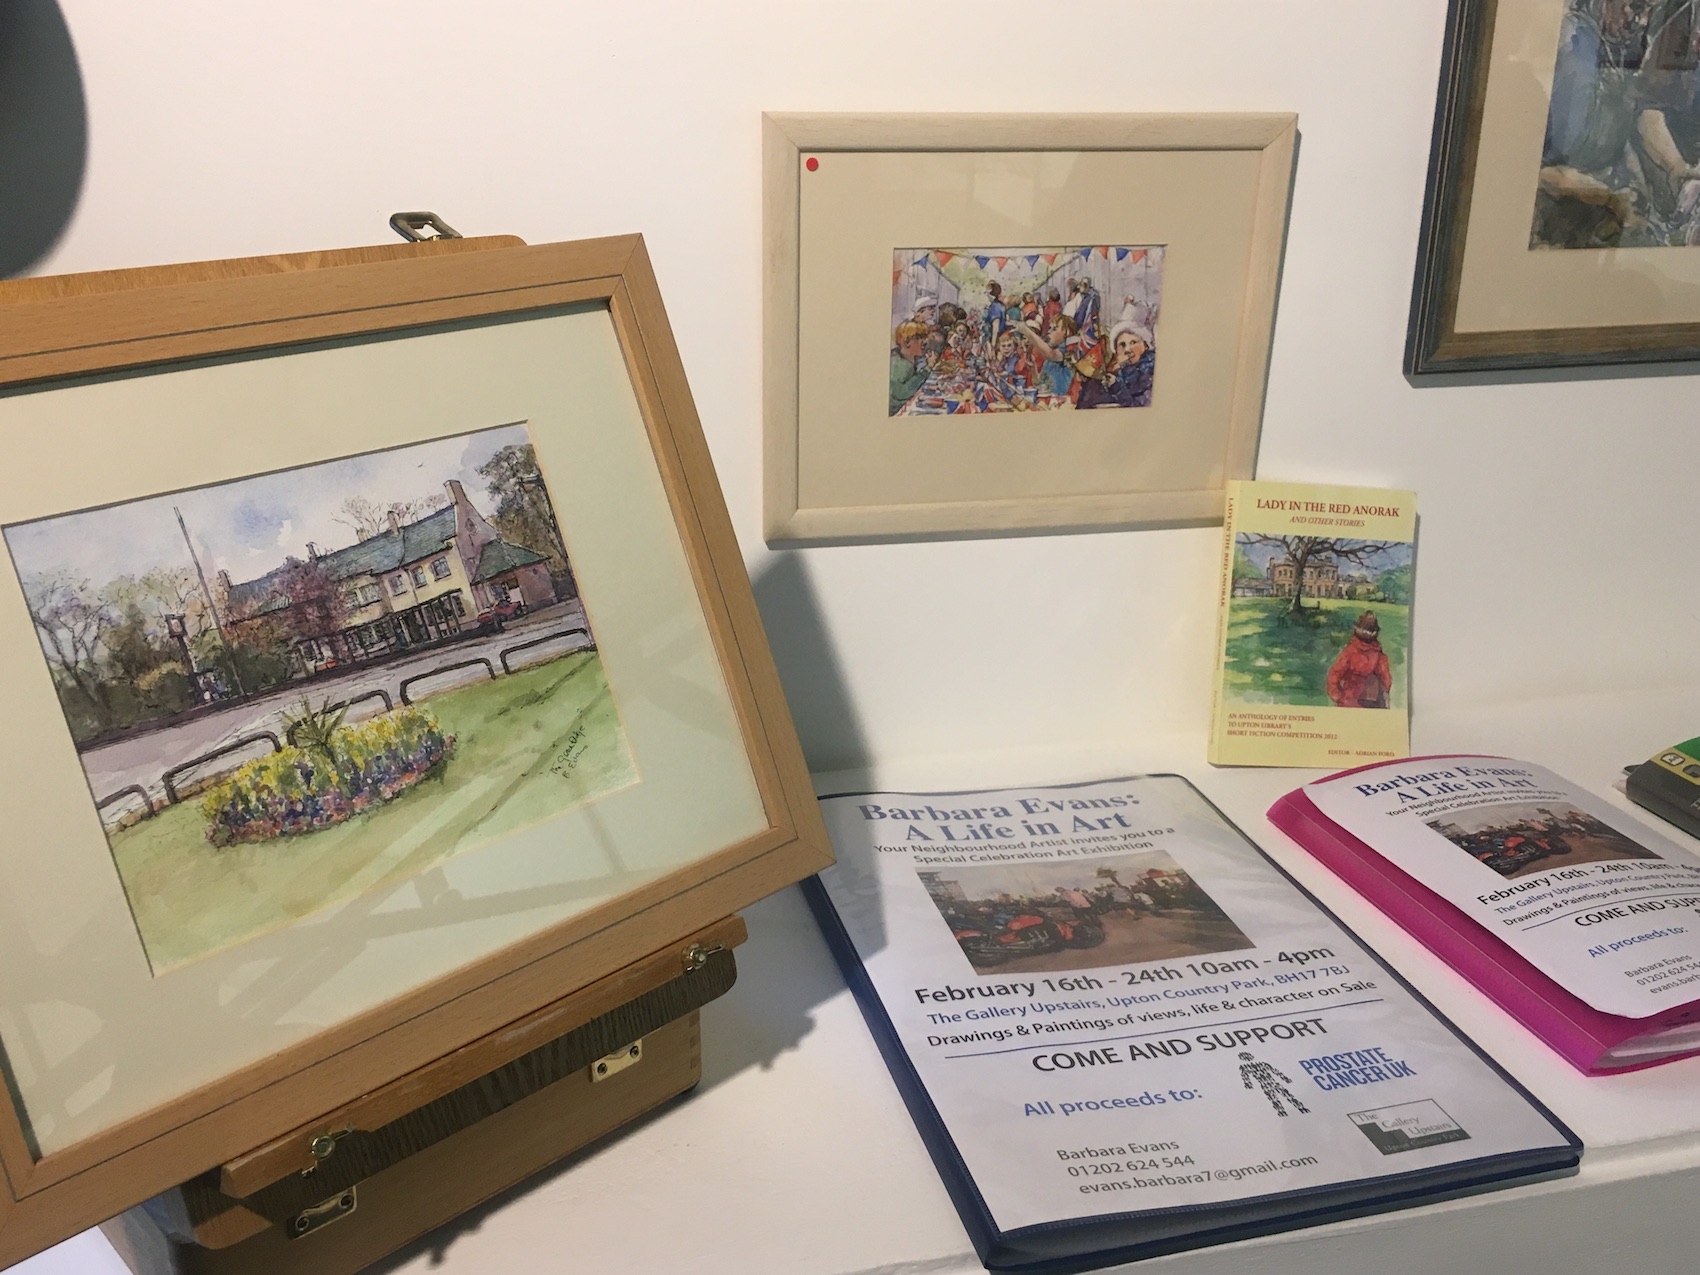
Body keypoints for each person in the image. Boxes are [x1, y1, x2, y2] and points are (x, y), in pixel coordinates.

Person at [1077, 322, 1156, 408]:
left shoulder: (1151, 372)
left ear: (1145, 345)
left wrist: (1116, 384)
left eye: (1133, 342)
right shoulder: (1115, 372)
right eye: (1122, 344)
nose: (1127, 349)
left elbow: (1138, 406)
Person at [1326, 611, 1392, 708]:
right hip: (1372, 705)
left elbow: (1333, 676)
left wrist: (1338, 696)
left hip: (1348, 702)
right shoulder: (1379, 655)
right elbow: (1386, 680)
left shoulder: (1349, 652)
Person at [889, 320, 931, 414]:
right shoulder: (898, 364)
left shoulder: (908, 359)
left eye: (925, 337)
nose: (925, 341)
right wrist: (926, 370)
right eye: (919, 338)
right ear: (907, 342)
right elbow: (901, 393)